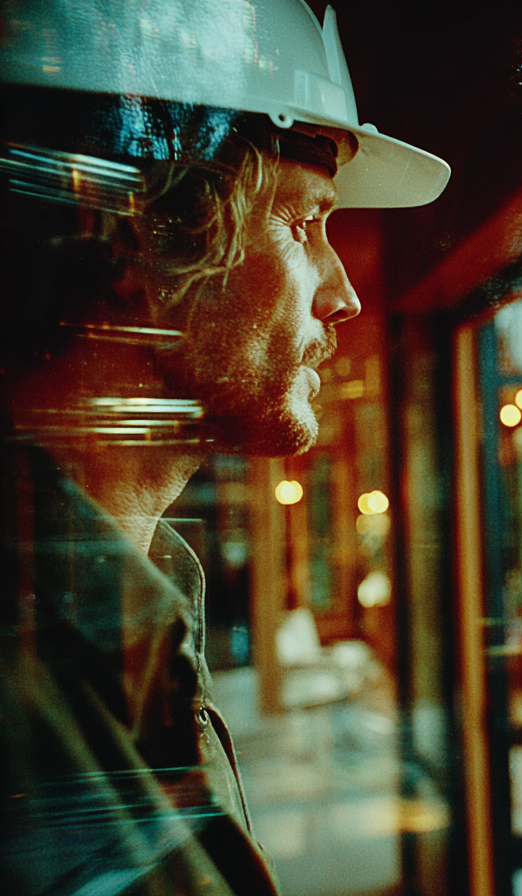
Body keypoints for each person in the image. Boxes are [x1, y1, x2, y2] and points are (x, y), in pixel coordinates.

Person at [0, 1, 449, 893]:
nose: (344, 294)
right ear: (137, 233)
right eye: (302, 224)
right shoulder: (26, 677)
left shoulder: (119, 618)